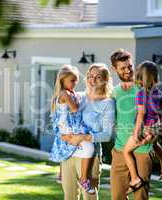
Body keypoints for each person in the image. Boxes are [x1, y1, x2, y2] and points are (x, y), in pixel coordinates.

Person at [110, 49, 162, 200]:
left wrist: (160, 127)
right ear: (114, 69)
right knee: (117, 195)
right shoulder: (114, 92)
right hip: (120, 150)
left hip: (143, 151)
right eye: (123, 68)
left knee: (140, 197)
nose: (128, 70)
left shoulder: (145, 87)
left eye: (130, 66)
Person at [60, 63, 115, 200]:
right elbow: (62, 116)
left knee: (89, 195)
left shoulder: (108, 103)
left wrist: (83, 137)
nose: (93, 80)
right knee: (69, 195)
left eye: (98, 77)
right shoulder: (78, 97)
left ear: (105, 80)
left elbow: (107, 135)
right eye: (90, 76)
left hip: (90, 156)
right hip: (69, 152)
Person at [123, 61, 162, 195]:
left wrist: (136, 133)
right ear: (155, 77)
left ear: (140, 77)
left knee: (126, 151)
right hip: (155, 127)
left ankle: (134, 179)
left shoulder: (141, 94)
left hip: (146, 129)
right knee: (156, 144)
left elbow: (141, 115)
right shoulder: (157, 92)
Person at [50, 65, 96, 194]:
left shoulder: (70, 93)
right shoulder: (64, 94)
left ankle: (61, 174)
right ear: (63, 80)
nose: (75, 83)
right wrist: (86, 100)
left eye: (76, 80)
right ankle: (83, 178)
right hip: (67, 128)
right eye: (72, 80)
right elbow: (75, 108)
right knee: (89, 148)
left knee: (65, 149)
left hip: (69, 126)